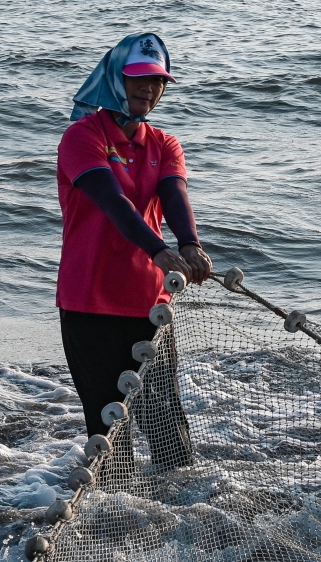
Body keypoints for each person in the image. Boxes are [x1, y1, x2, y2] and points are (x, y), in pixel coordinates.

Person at [55, 32, 210, 466]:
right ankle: (116, 522)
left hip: (149, 306)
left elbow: (175, 194)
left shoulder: (163, 143)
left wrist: (190, 244)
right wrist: (159, 250)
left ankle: (179, 522)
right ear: (112, 79)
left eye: (157, 81)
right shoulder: (81, 137)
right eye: (137, 78)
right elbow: (112, 202)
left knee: (168, 430)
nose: (148, 88)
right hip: (90, 304)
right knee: (108, 433)